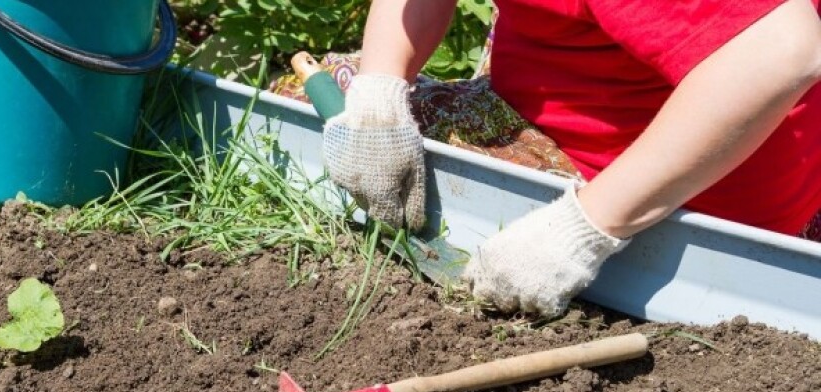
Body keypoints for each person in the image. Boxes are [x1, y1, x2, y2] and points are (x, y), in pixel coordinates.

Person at [321, 0, 821, 317]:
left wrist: (582, 228)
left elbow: (783, 52)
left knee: (310, 93)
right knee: (348, 79)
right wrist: (378, 93)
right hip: (590, 93)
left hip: (692, 189)